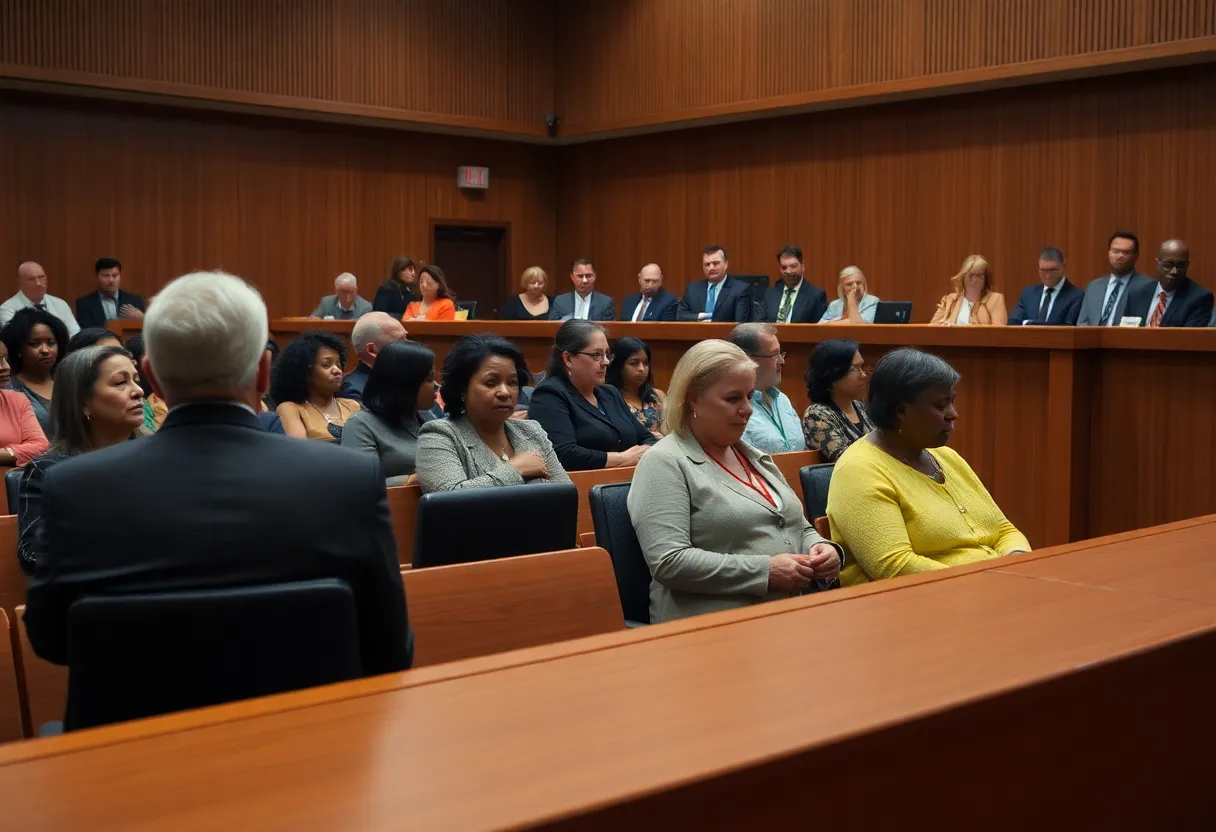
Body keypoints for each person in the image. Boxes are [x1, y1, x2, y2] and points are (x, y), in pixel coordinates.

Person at [23, 270, 413, 682]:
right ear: (263, 374)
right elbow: (389, 648)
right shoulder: (349, 478)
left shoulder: (75, 485)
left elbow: (50, 640)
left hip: (137, 737)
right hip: (308, 736)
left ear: (151, 376)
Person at [627, 339, 841, 623]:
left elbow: (796, 526)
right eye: (732, 399)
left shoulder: (754, 457)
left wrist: (824, 549)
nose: (747, 409)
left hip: (786, 617)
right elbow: (669, 561)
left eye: (749, 397)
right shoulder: (664, 462)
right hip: (709, 627)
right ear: (694, 398)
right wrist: (765, 571)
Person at [827, 348, 1030, 585]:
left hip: (992, 588)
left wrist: (1017, 564)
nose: (953, 414)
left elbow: (1004, 530)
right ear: (901, 410)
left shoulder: (947, 457)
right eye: (941, 405)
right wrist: (989, 581)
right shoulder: (859, 470)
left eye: (952, 401)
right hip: (918, 606)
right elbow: (895, 566)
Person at [17, 345, 145, 574]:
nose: (138, 391)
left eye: (136, 380)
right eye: (120, 383)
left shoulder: (158, 458)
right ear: (83, 402)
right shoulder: (49, 471)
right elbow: (33, 554)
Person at [417, 333, 570, 492]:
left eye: (512, 383)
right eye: (491, 383)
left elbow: (566, 494)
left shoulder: (532, 431)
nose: (505, 392)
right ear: (462, 389)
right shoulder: (440, 435)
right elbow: (447, 501)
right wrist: (515, 469)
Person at [529, 320, 656, 471]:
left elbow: (647, 438)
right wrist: (621, 458)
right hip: (581, 487)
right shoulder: (550, 395)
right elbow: (564, 454)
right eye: (596, 355)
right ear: (568, 359)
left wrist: (645, 451)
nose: (605, 362)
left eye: (607, 354)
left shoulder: (610, 393)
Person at [340, 340, 437, 485]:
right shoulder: (361, 425)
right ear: (405, 384)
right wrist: (409, 481)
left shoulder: (426, 416)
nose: (436, 386)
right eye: (429, 379)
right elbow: (357, 485)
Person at [728, 323, 805, 454]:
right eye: (774, 355)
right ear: (748, 359)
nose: (782, 361)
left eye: (781, 354)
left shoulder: (782, 400)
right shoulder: (732, 406)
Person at [272, 331, 362, 441]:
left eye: (338, 364)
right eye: (326, 365)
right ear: (306, 372)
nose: (337, 370)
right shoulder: (291, 409)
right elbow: (299, 452)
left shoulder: (353, 406)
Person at [801, 339, 874, 462]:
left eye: (861, 367)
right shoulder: (817, 415)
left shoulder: (860, 407)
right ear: (833, 374)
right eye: (855, 369)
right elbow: (843, 461)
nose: (863, 375)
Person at [1, 307, 69, 438]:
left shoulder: (69, 381)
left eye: (51, 343)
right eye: (34, 344)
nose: (45, 350)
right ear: (18, 349)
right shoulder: (9, 388)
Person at [1125, 239, 1213, 328]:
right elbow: (1126, 331)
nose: (1174, 271)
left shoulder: (1199, 298)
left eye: (1181, 265)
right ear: (1157, 263)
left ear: (1187, 265)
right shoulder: (1137, 294)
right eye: (1168, 265)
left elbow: (1189, 339)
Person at [1076, 232, 1154, 326]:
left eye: (1126, 252)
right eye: (1115, 251)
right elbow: (1082, 322)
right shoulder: (1094, 286)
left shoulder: (1148, 287)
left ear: (1136, 256)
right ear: (1109, 253)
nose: (1120, 256)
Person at [0, 339, 49, 472]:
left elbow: (40, 446)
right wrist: (14, 452)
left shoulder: (17, 400)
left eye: (5, 359)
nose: (5, 367)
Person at [339, 312, 408, 403]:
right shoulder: (355, 391)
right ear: (372, 350)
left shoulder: (402, 378)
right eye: (400, 340)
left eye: (406, 337)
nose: (409, 345)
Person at [0, 261, 81, 336]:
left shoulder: (60, 304)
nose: (38, 283)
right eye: (31, 279)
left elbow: (75, 333)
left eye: (41, 277)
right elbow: (19, 339)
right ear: (20, 283)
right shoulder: (7, 309)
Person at [606, 337, 665, 438]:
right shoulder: (607, 398)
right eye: (634, 363)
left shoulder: (658, 396)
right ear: (619, 366)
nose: (642, 369)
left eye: (645, 363)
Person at [1007, 247, 1083, 326]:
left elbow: (1068, 327)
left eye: (1053, 270)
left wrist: (1028, 323)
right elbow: (1013, 322)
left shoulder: (1076, 296)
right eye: (1043, 270)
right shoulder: (1028, 294)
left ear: (1063, 267)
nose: (1047, 276)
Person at [677, 246, 752, 323]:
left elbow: (740, 323)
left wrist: (712, 322)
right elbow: (680, 316)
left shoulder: (740, 290)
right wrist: (699, 317)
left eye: (716, 263)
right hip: (695, 334)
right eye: (707, 264)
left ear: (726, 264)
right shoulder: (692, 289)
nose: (711, 268)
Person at [928, 255, 1008, 326]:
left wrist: (973, 329)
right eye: (971, 275)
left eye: (980, 276)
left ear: (986, 279)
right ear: (963, 277)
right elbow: (932, 328)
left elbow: (999, 332)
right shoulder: (950, 299)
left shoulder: (995, 299)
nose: (975, 280)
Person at [762, 246, 829, 324]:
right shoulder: (770, 293)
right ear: (779, 268)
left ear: (802, 266)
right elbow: (758, 324)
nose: (788, 271)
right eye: (784, 267)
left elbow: (818, 330)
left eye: (793, 266)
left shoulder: (816, 295)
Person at [74, 257, 145, 328]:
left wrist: (142, 318)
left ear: (120, 276)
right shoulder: (84, 304)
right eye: (106, 276)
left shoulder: (135, 301)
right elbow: (85, 333)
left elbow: (145, 333)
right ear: (97, 276)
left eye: (115, 275)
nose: (111, 280)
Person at [549, 258, 615, 321]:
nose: (585, 280)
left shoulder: (605, 303)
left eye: (588, 276)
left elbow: (607, 330)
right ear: (572, 277)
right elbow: (552, 328)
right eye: (580, 276)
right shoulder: (560, 301)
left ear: (595, 276)